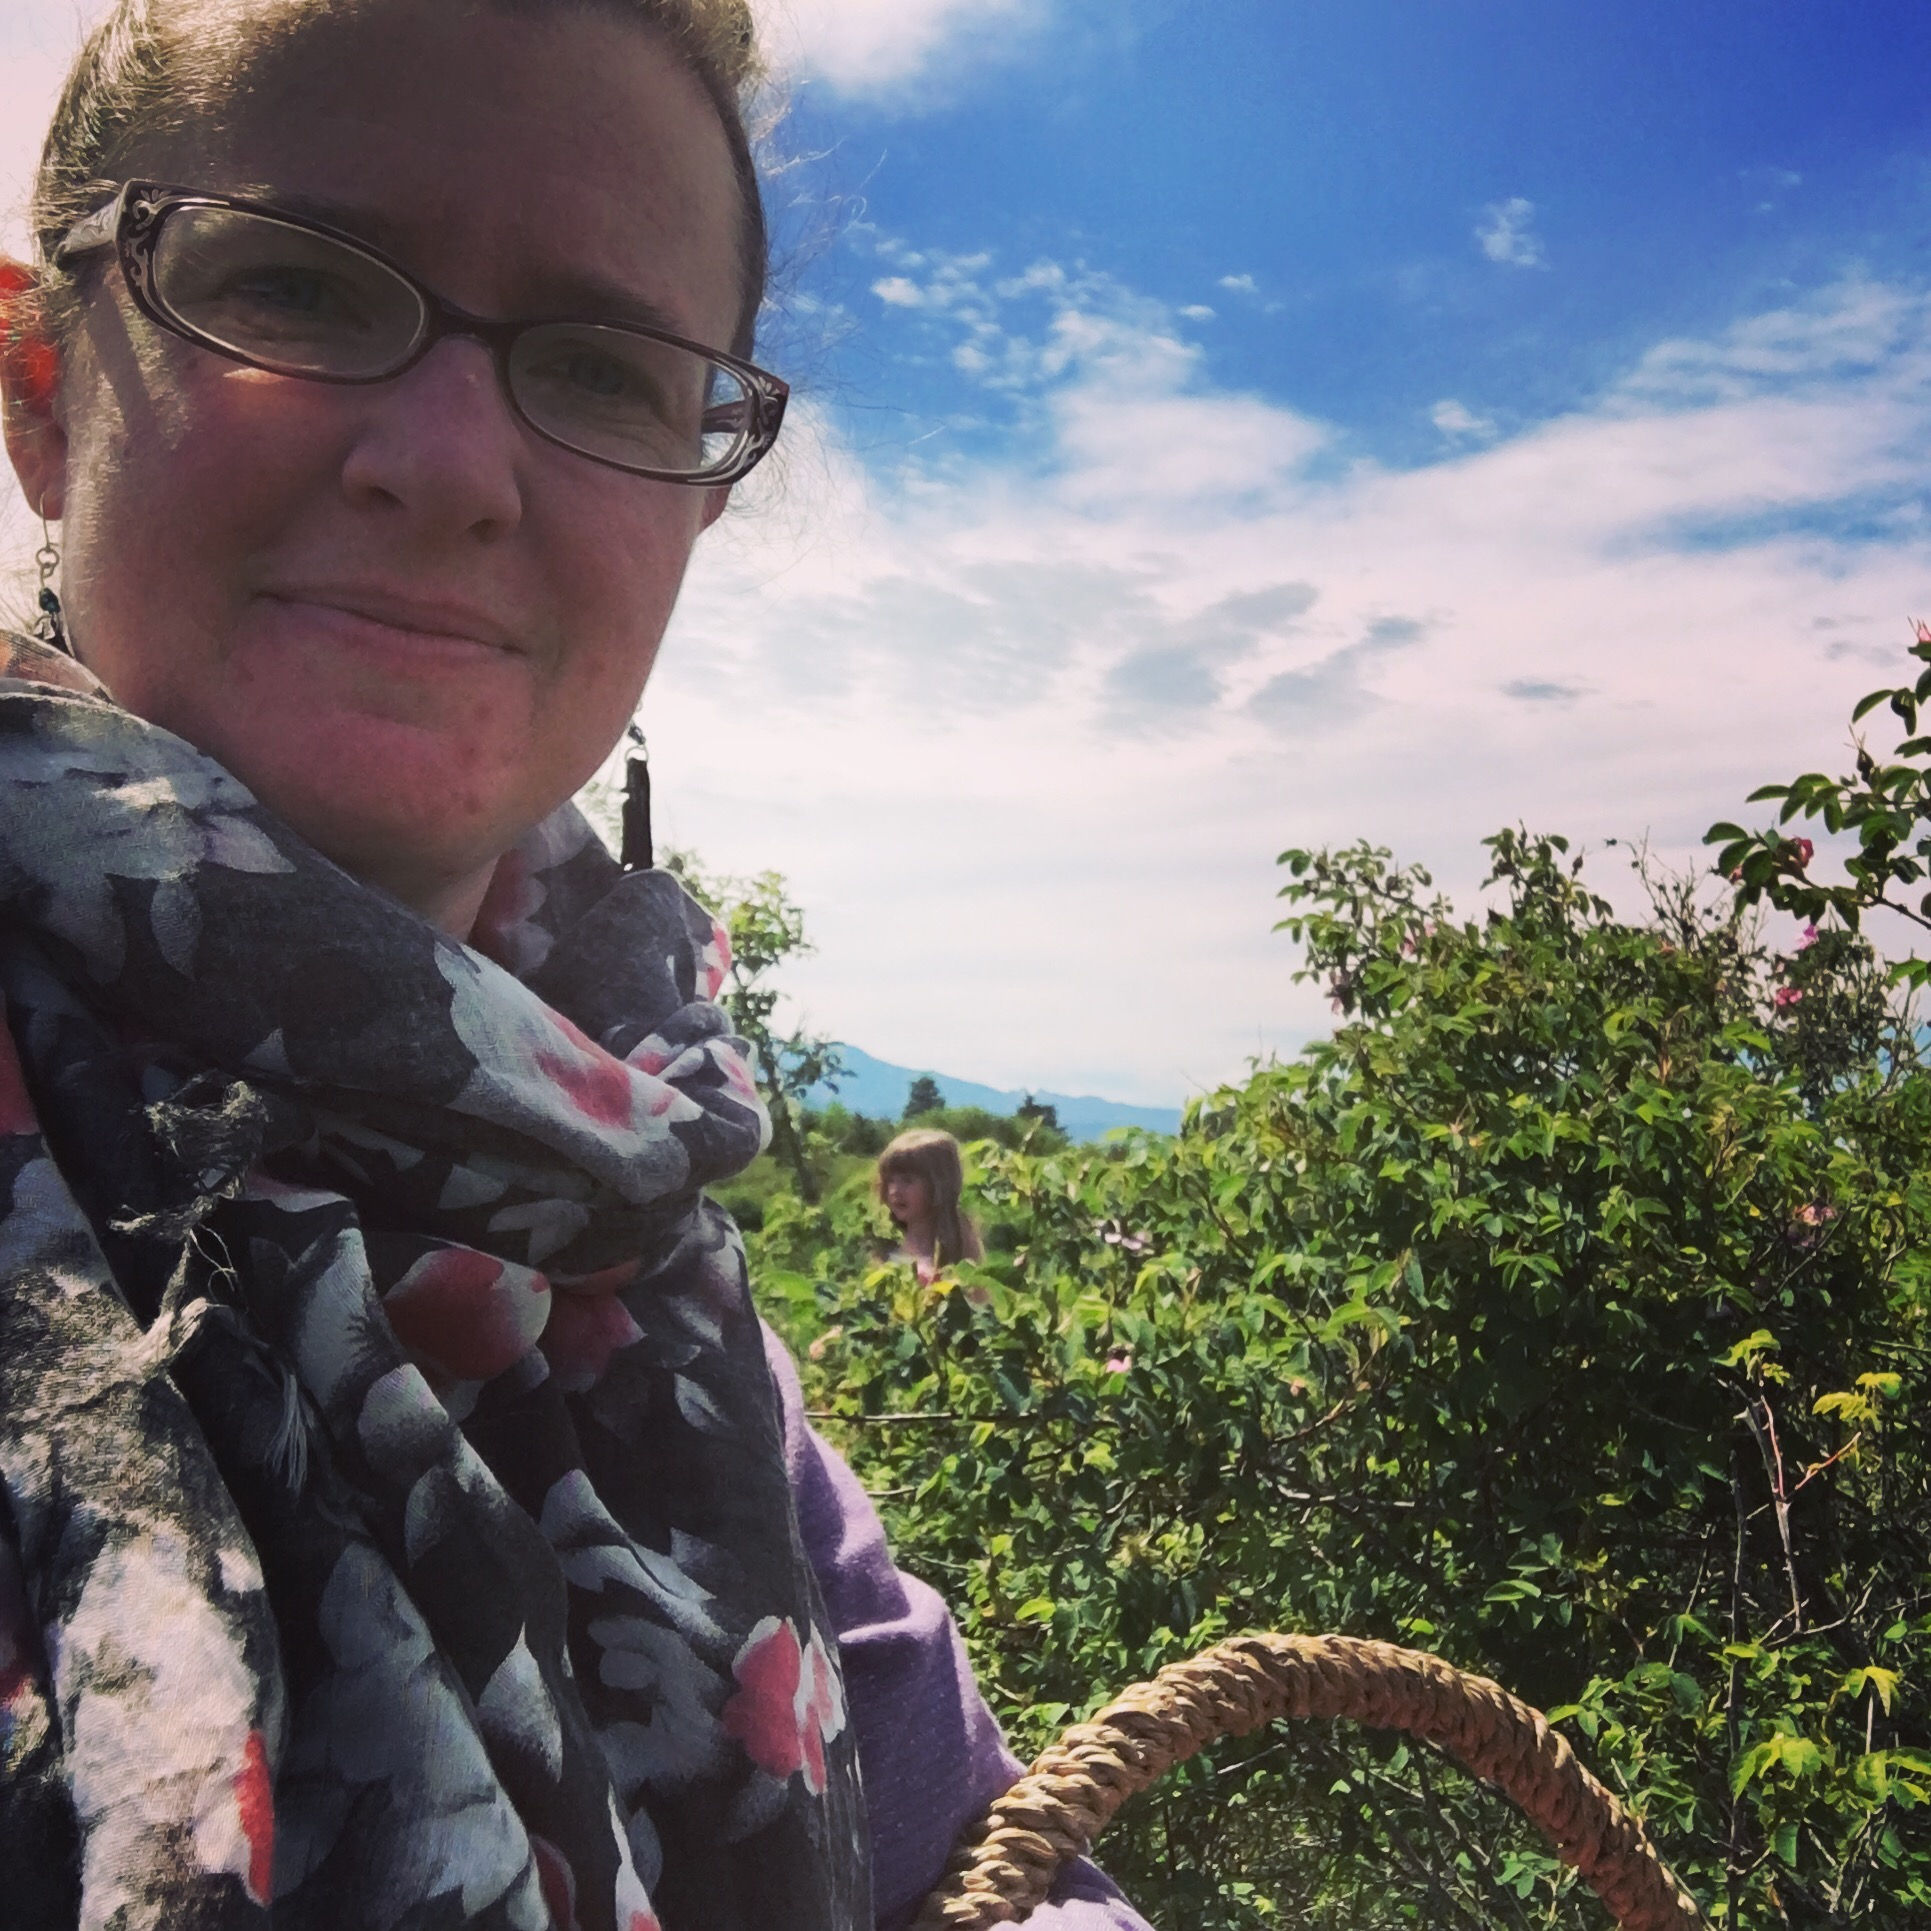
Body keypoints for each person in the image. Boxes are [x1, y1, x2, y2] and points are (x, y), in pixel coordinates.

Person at [0, 2, 1151, 1926]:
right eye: (295, 282)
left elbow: (979, 1847)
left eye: (608, 373)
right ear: (41, 383)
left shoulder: (624, 1201)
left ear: (697, 495)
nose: (453, 466)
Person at [876, 1129, 984, 1284]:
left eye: (907, 1181)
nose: (895, 1191)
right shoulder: (882, 1246)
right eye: (891, 1180)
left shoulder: (959, 1255)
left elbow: (978, 1302)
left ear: (937, 1185)